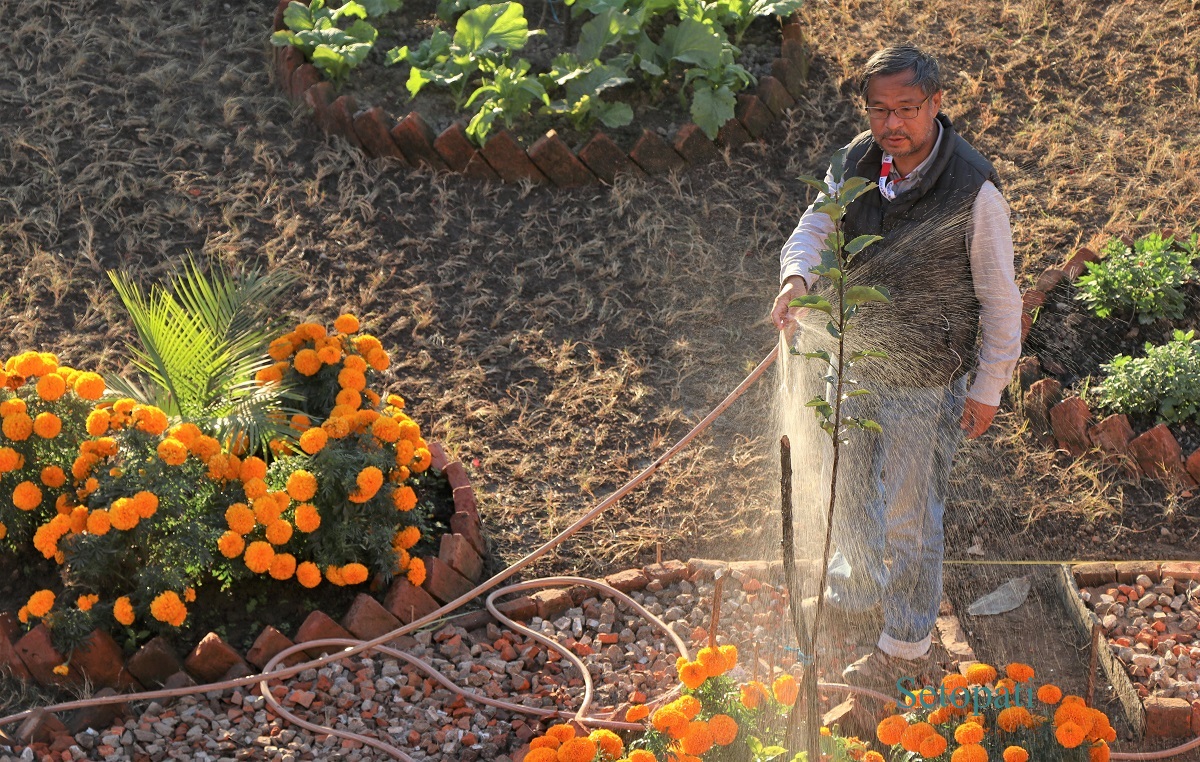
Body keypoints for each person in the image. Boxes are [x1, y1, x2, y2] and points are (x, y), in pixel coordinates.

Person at [769, 44, 1022, 690]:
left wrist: (989, 385)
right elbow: (814, 228)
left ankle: (906, 641)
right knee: (850, 491)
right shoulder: (856, 161)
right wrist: (797, 278)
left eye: (907, 109)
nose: (892, 125)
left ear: (936, 105)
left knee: (911, 516)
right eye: (880, 110)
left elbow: (1001, 299)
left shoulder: (973, 189)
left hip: (925, 380)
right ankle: (855, 593)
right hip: (853, 360)